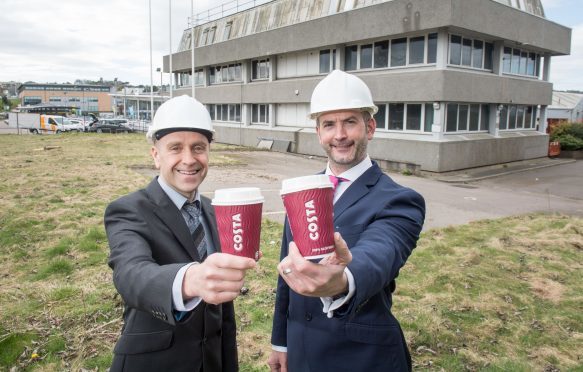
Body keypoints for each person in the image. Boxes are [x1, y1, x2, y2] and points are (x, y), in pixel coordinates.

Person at [268, 70, 426, 372]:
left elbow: (380, 252)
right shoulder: (301, 192)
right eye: (329, 124)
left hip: (361, 358)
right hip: (301, 354)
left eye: (350, 122)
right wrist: (281, 342)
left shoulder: (399, 199)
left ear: (370, 128)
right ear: (318, 132)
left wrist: (342, 280)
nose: (339, 135)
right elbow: (286, 273)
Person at [105, 95, 257, 372]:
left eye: (198, 147)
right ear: (156, 155)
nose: (189, 159)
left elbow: (222, 313)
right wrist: (190, 280)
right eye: (176, 148)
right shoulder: (128, 210)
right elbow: (130, 274)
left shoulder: (215, 211)